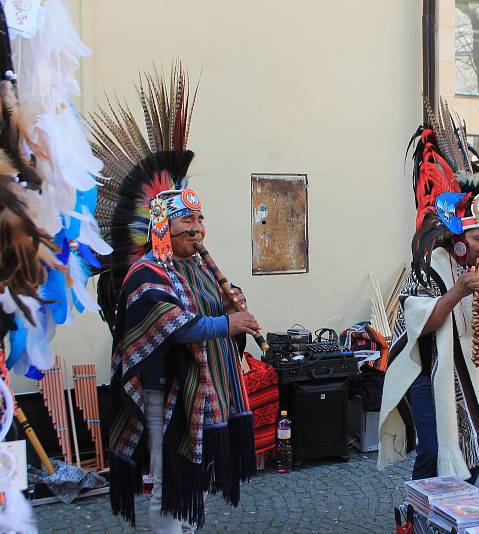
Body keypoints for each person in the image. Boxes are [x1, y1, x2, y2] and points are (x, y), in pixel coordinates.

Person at [92, 65, 258, 531]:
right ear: (163, 227)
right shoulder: (146, 273)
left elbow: (205, 314)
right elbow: (177, 326)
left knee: (193, 480)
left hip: (198, 390)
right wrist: (229, 325)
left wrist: (228, 306)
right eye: (188, 225)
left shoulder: (198, 266)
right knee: (169, 481)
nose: (198, 231)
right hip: (162, 391)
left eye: (201, 223)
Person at [378, 99, 479, 484]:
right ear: (458, 236)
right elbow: (416, 326)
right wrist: (457, 292)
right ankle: (419, 516)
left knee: (474, 451)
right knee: (433, 454)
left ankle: (454, 516)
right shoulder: (432, 265)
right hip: (433, 375)